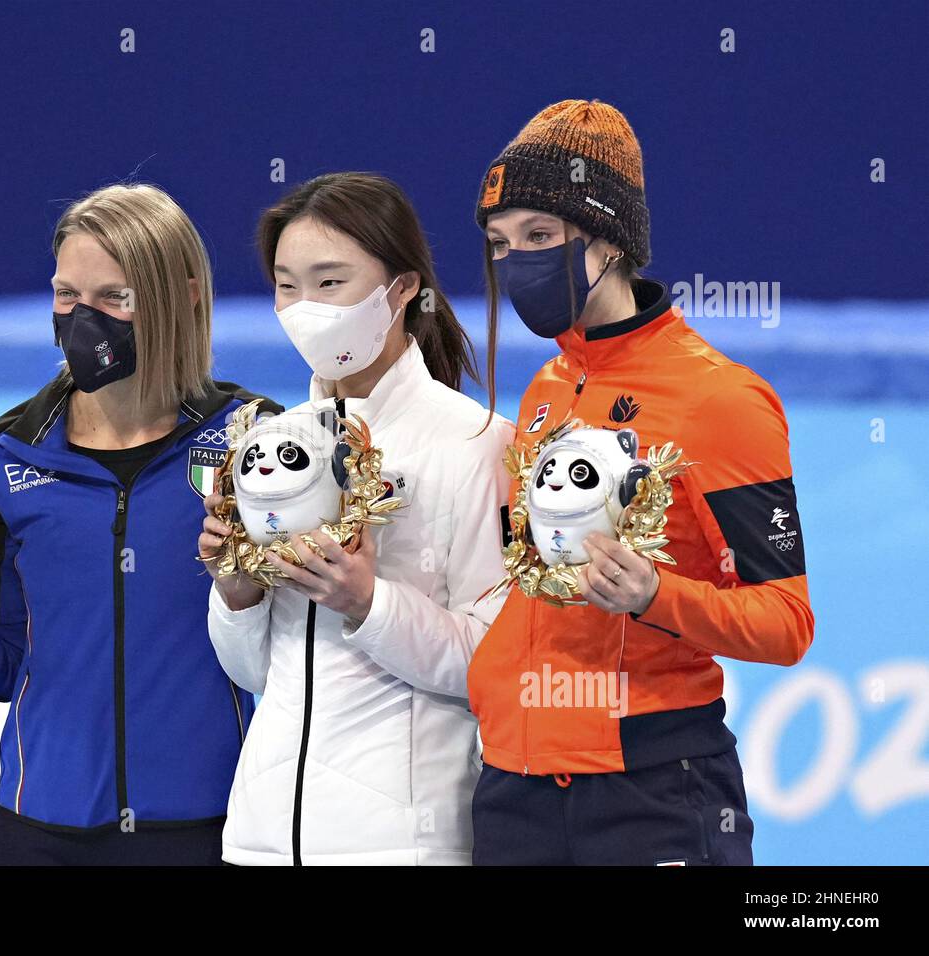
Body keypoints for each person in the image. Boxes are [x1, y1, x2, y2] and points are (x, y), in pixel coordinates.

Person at [0, 183, 280, 865]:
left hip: (209, 829)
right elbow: (1, 669)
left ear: (182, 295)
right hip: (39, 834)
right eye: (67, 295)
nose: (84, 321)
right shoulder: (8, 454)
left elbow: (294, 651)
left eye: (115, 298)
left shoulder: (253, 440)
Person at [467, 99, 815, 865]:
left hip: (649, 791)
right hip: (512, 788)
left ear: (610, 241)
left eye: (540, 237)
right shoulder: (546, 390)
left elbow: (786, 622)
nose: (515, 260)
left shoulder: (721, 401)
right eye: (498, 243)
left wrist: (657, 597)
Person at [198, 172, 515, 865]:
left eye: (331, 282)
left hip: (400, 847)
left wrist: (367, 603)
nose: (304, 307)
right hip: (260, 841)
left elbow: (491, 665)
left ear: (402, 289)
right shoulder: (272, 447)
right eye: (287, 285)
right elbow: (256, 673)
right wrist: (236, 594)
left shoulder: (478, 443)